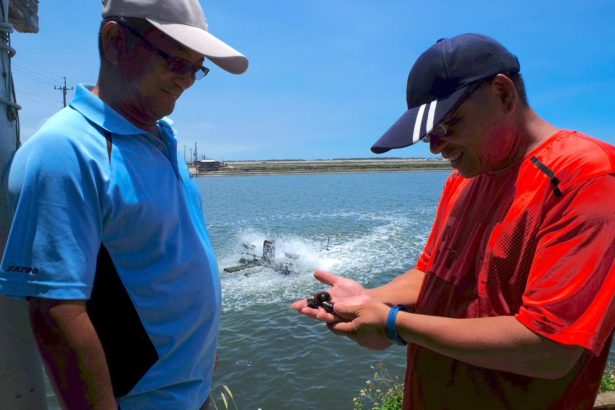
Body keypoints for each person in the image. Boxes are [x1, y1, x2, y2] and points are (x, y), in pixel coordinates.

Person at [293, 33, 615, 409]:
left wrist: (395, 324)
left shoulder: (585, 178)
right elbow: (433, 274)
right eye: (427, 134)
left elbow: (549, 349)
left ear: (503, 94)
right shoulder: (462, 180)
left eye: (447, 124)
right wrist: (368, 303)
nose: (434, 146)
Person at [0, 0, 247, 408]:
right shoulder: (67, 150)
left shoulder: (160, 135)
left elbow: (160, 261)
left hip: (191, 389)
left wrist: (199, 350)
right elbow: (56, 313)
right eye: (175, 61)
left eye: (196, 68)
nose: (186, 80)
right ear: (115, 41)